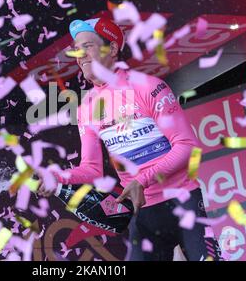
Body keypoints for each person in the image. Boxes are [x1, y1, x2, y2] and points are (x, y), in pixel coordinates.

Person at [37, 16, 222, 261]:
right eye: (76, 50)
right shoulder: (86, 108)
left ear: (112, 48)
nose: (80, 56)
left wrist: (142, 180)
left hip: (183, 201)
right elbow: (90, 169)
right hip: (142, 213)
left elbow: (188, 146)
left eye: (87, 46)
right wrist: (56, 177)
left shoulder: (148, 86)